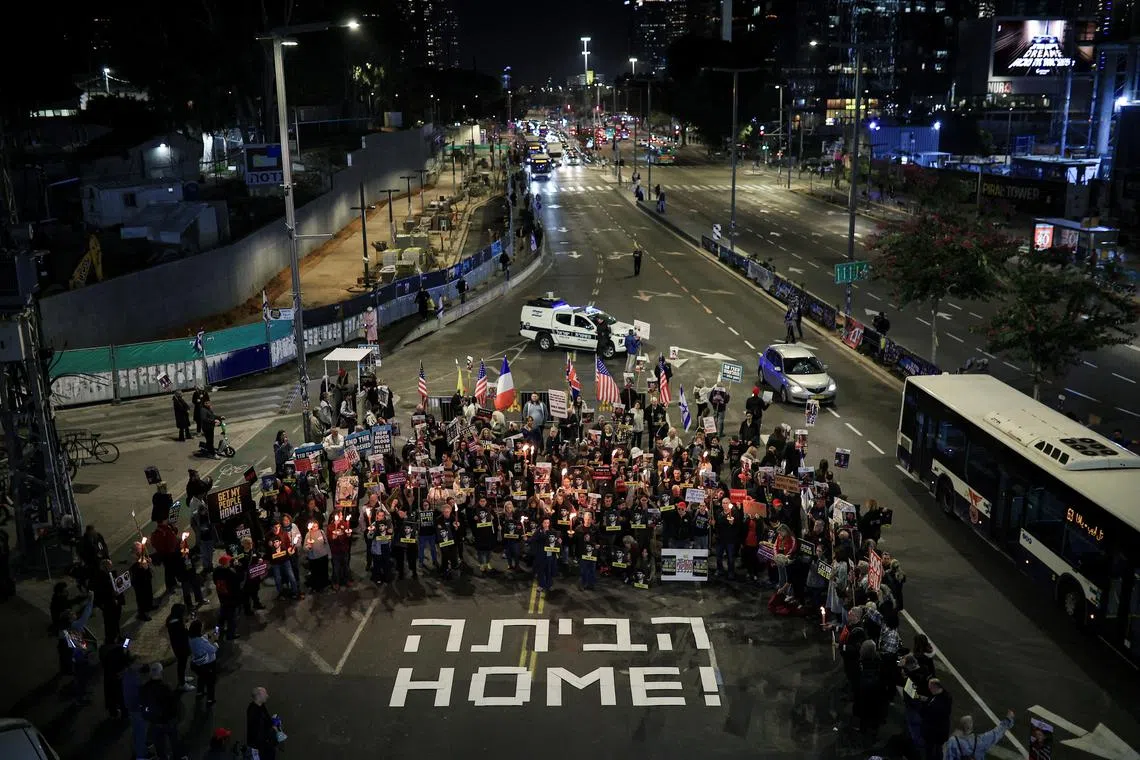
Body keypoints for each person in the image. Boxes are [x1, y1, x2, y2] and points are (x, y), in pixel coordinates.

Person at [139, 663, 183, 760]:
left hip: (154, 721)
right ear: (161, 673)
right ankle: (177, 756)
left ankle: (162, 757)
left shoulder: (145, 688)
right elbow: (173, 705)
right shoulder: (166, 688)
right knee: (174, 740)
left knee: (159, 743)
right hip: (168, 720)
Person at [943, 710, 1016, 760]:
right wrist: (1008, 719)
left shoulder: (952, 741)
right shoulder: (979, 741)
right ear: (970, 728)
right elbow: (996, 733)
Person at [164, 603, 196, 692]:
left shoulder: (173, 619)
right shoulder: (176, 623)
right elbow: (184, 633)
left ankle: (182, 677)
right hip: (180, 647)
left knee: (182, 664)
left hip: (179, 645)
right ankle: (182, 683)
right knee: (182, 663)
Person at [188, 620, 218, 705]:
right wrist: (215, 641)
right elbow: (213, 649)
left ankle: (200, 692)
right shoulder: (201, 641)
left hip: (196, 663)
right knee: (210, 682)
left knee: (201, 677)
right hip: (207, 664)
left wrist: (206, 636)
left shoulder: (190, 638)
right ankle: (210, 699)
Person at [247, 686, 279, 760]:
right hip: (260, 748)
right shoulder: (253, 711)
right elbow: (258, 731)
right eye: (265, 694)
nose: (267, 696)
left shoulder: (261, 706)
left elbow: (267, 722)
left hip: (266, 746)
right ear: (259, 695)